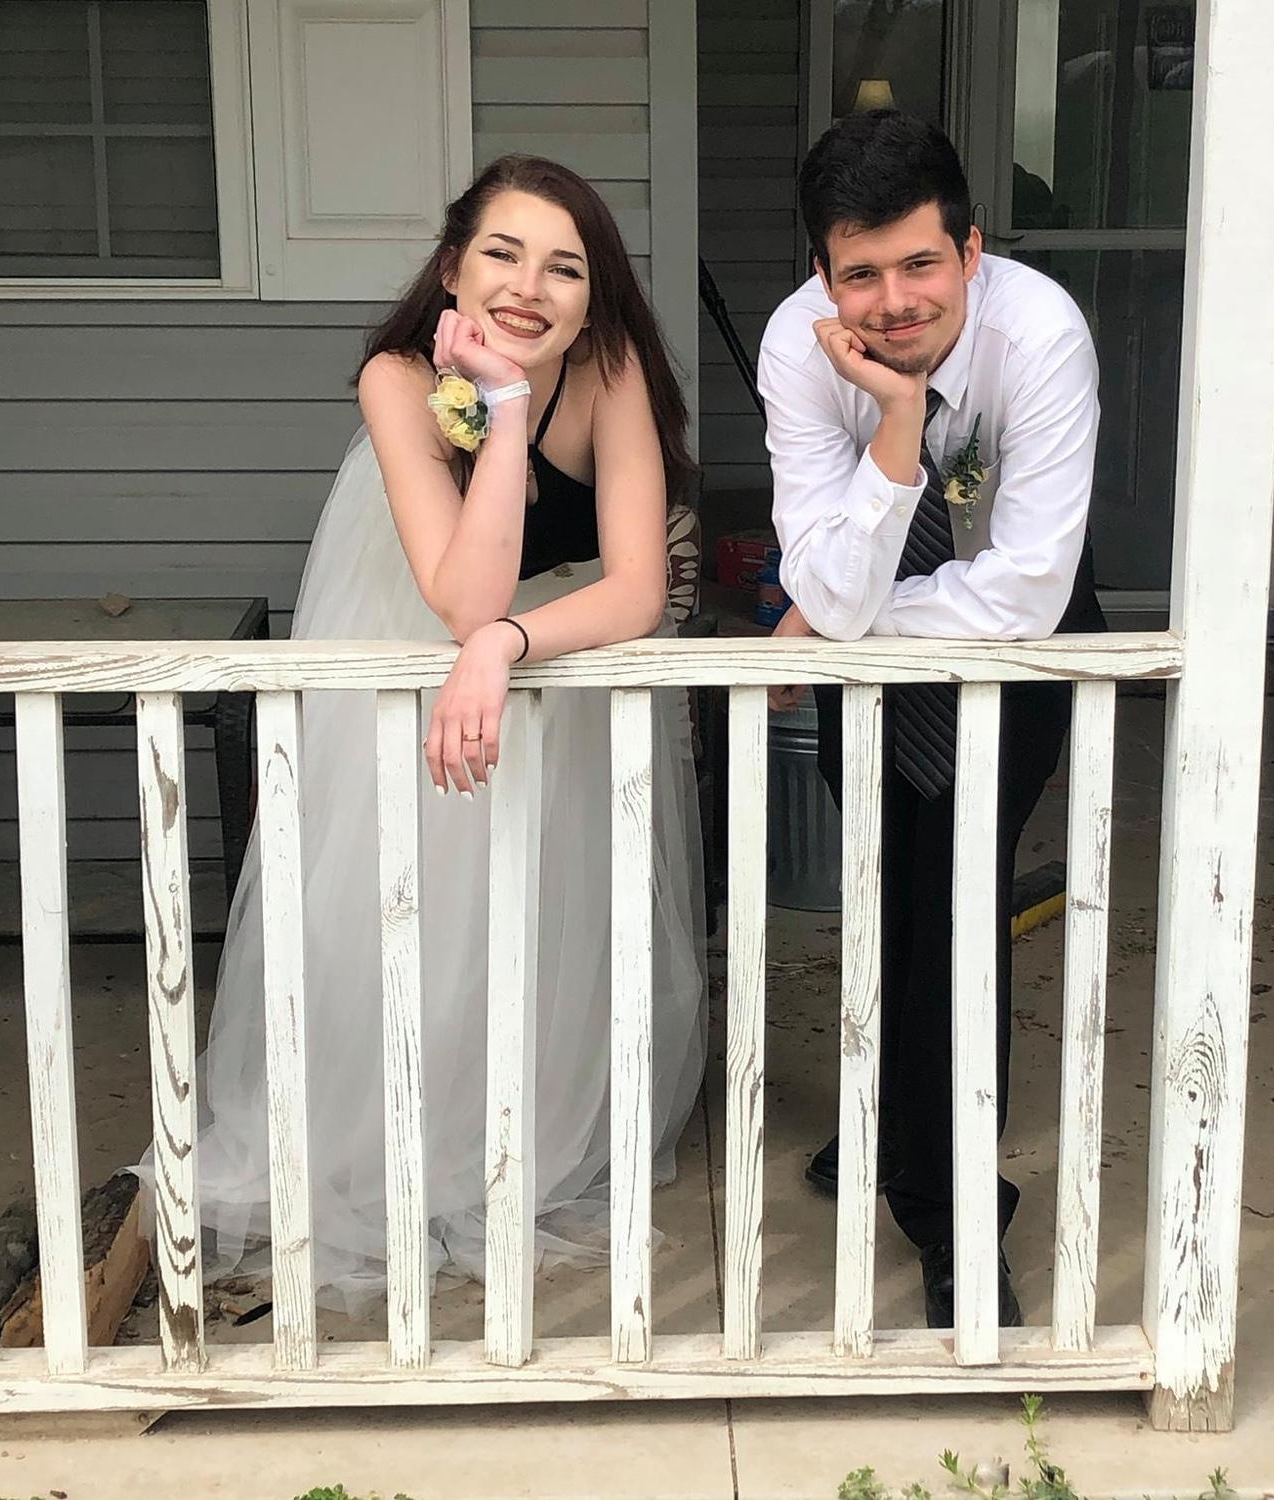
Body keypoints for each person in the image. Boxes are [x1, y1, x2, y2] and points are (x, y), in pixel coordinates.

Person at [135, 156, 707, 1310]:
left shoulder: (611, 371)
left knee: (541, 906)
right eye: (503, 254)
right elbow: (460, 595)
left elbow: (640, 588)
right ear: (453, 268)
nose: (529, 287)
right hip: (410, 644)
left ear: (595, 295)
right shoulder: (399, 379)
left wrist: (507, 647)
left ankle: (508, 1128)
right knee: (407, 901)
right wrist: (503, 409)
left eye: (565, 268)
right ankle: (390, 1127)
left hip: (552, 655)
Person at [757, 111, 1106, 1327]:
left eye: (921, 263)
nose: (895, 301)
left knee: (957, 912)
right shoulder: (798, 350)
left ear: (972, 249)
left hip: (1014, 656)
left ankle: (955, 1213)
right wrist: (897, 426)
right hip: (866, 645)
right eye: (861, 273)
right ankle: (893, 1128)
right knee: (882, 894)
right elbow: (825, 573)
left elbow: (1027, 590)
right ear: (822, 272)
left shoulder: (1040, 334)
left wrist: (833, 620)